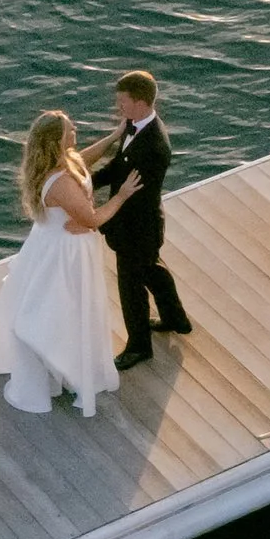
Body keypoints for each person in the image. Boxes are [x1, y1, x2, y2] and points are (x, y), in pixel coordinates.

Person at [0, 109, 122, 417]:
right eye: (70, 129)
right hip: (64, 254)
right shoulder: (60, 184)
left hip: (50, 245)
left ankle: (63, 368)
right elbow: (91, 219)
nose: (75, 129)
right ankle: (61, 365)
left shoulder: (61, 163)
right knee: (59, 311)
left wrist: (114, 136)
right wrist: (124, 197)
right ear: (57, 141)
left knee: (60, 308)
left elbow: (84, 161)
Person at [88, 70, 191, 371]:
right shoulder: (135, 127)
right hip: (141, 228)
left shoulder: (153, 147)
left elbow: (131, 195)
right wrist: (85, 182)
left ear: (141, 103)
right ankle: (175, 318)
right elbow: (117, 168)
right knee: (152, 270)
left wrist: (98, 216)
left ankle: (139, 346)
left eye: (122, 102)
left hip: (136, 229)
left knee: (131, 288)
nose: (117, 107)